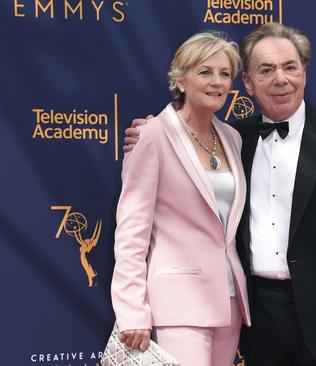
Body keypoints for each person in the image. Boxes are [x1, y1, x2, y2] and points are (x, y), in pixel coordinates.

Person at [124, 23, 316, 366]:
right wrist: (145, 135)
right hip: (254, 317)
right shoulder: (233, 139)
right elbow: (176, 145)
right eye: (266, 70)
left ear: (304, 74)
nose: (280, 79)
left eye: (290, 67)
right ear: (248, 84)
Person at [111, 31, 251, 366]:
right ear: (181, 80)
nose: (216, 82)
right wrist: (132, 311)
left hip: (228, 302)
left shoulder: (232, 137)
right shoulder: (152, 136)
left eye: (225, 73)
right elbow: (131, 232)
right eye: (205, 72)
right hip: (177, 304)